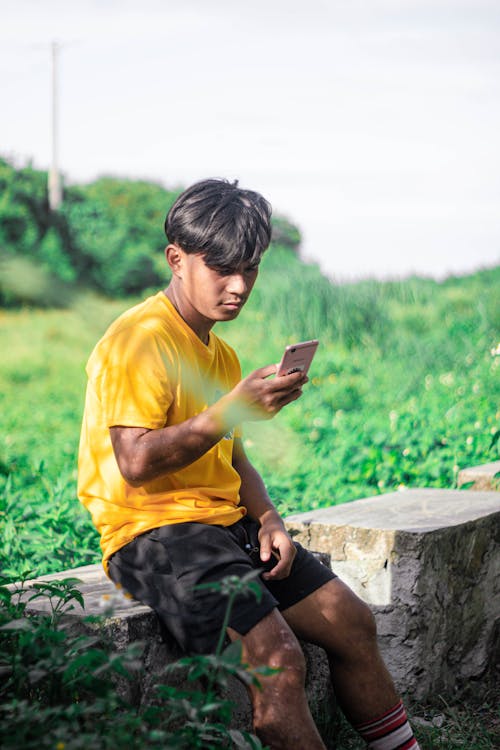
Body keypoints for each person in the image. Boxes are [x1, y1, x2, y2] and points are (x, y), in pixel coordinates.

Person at [78, 179, 420, 750]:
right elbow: (134, 462)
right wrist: (227, 410)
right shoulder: (139, 340)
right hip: (153, 536)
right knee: (279, 663)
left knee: (353, 623)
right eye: (222, 269)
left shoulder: (219, 349)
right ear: (177, 260)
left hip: (224, 528)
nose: (239, 287)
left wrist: (267, 519)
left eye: (251, 270)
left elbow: (229, 453)